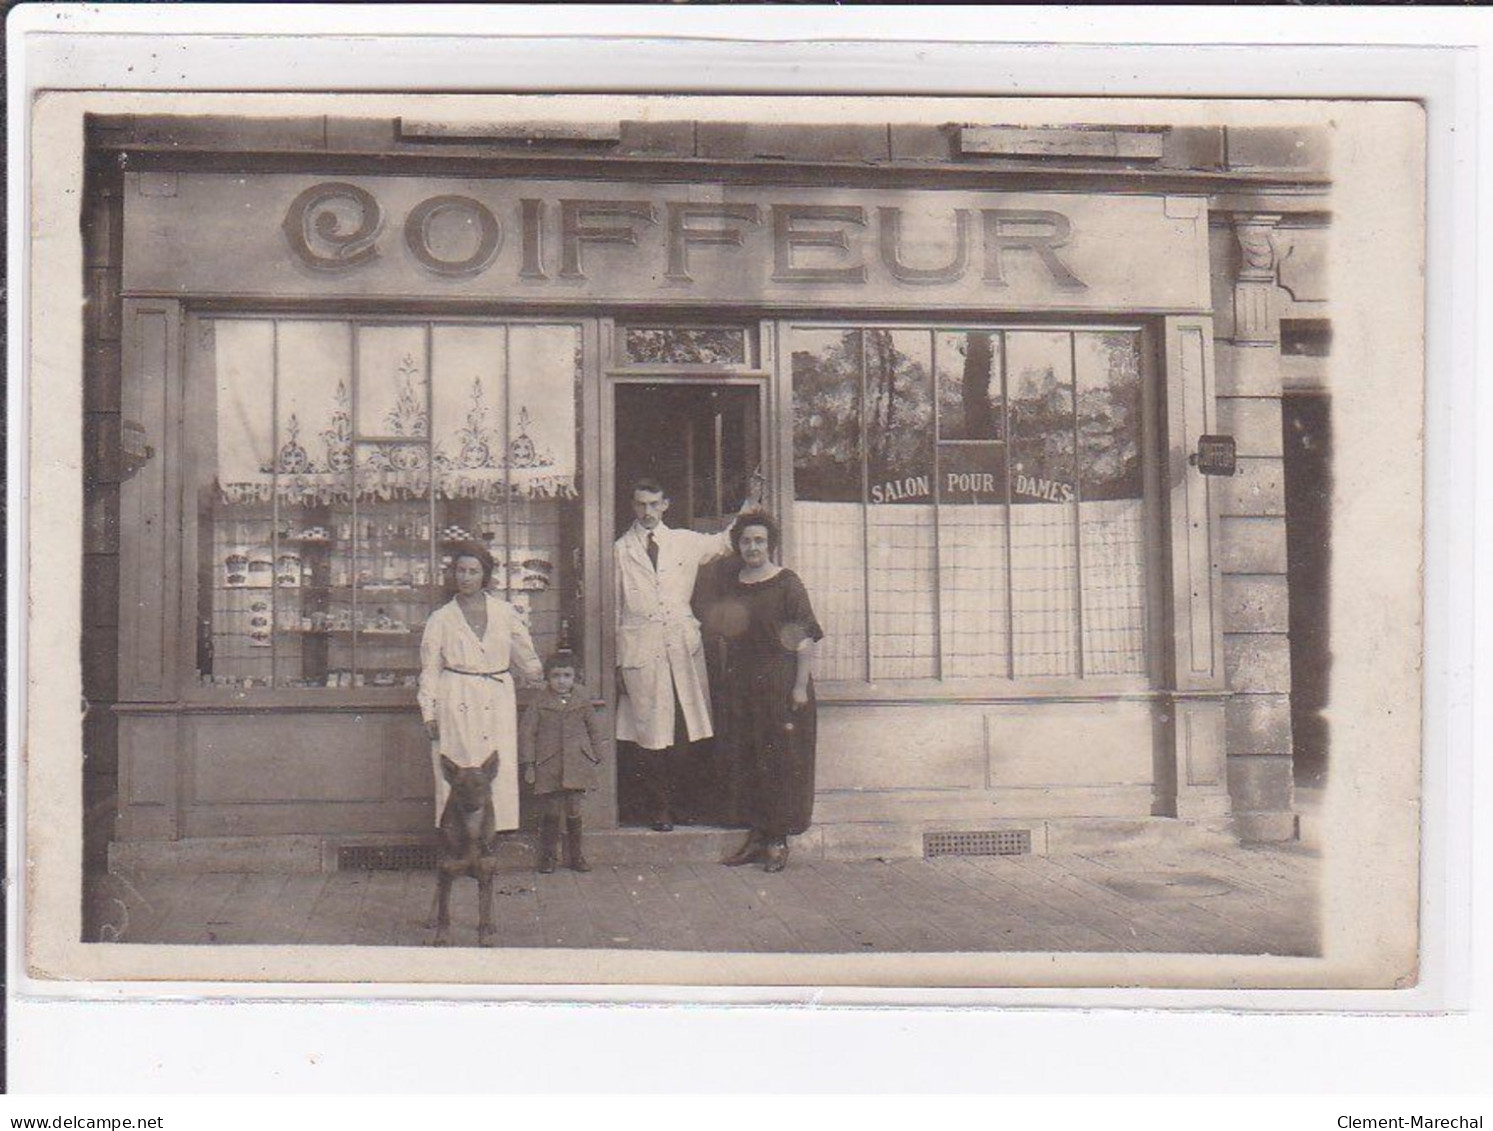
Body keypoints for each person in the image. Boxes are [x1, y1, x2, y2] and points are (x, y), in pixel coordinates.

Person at [614, 476, 760, 831]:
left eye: (654, 504)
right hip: (641, 647)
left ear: (666, 504)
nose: (647, 512)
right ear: (633, 507)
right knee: (650, 732)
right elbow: (614, 609)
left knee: (684, 728)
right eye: (640, 505)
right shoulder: (619, 551)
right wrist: (617, 664)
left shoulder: (684, 542)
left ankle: (682, 803)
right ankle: (659, 807)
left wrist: (752, 502)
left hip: (681, 644)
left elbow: (727, 542)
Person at [711, 512, 823, 873]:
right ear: (737, 545)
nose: (752, 547)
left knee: (781, 761)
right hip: (744, 685)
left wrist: (799, 687)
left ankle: (777, 840)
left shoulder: (787, 583)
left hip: (781, 681)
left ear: (770, 544)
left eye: (759, 540)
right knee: (750, 760)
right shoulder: (734, 583)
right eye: (746, 541)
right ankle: (757, 836)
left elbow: (803, 638)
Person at [418, 541, 543, 833]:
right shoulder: (441, 618)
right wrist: (429, 713)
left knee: (495, 766)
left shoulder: (505, 613)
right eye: (461, 571)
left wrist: (544, 676)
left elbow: (526, 656)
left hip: (497, 696)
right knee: (460, 767)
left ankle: (492, 835)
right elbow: (430, 670)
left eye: (473, 571)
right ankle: (458, 836)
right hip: (457, 697)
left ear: (484, 575)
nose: (466, 577)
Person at [520, 651, 609, 874]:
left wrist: (598, 754)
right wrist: (529, 764)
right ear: (547, 678)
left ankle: (576, 857)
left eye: (567, 676)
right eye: (556, 676)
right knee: (551, 812)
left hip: (577, 762)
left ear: (575, 677)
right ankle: (548, 857)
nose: (562, 681)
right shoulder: (539, 701)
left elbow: (593, 729)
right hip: (549, 764)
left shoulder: (582, 699)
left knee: (574, 810)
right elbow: (527, 733)